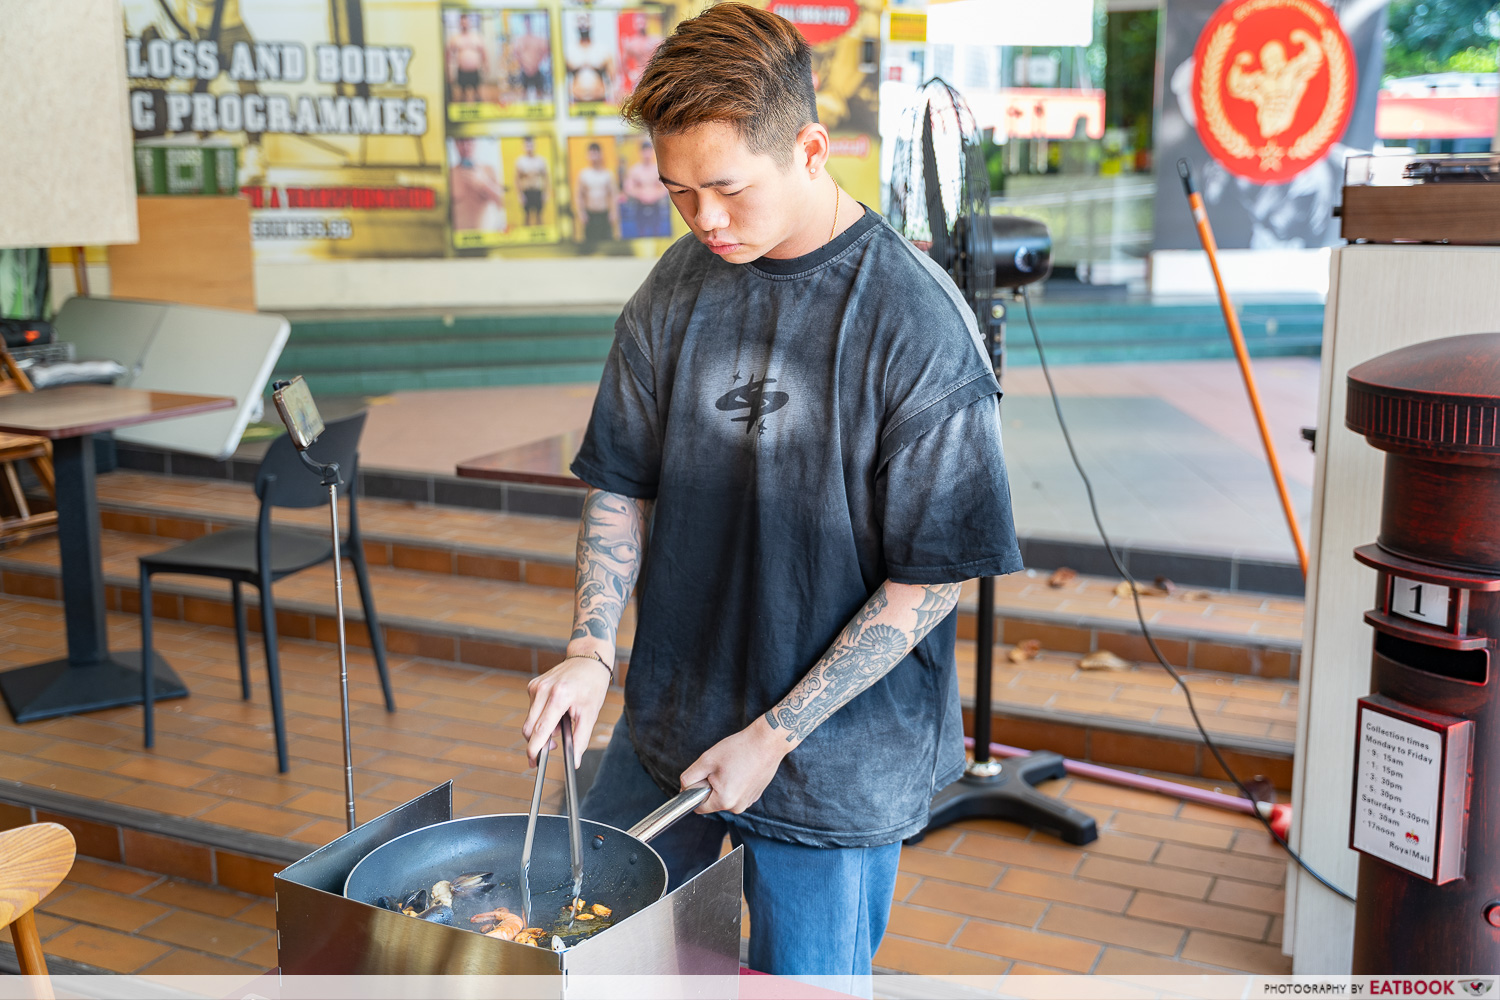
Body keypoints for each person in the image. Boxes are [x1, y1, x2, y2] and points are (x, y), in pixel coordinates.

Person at [522, 2, 1023, 982]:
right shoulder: (675, 289)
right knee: (610, 961)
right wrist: (589, 648)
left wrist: (774, 735)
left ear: (808, 147)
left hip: (835, 758)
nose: (704, 218)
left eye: (726, 188)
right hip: (670, 717)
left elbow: (929, 584)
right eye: (677, 193)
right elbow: (621, 486)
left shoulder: (915, 324)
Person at [449, 137, 506, 233]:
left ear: (476, 142)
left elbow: (505, 203)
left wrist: (484, 184)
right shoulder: (449, 174)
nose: (465, 147)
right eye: (461, 142)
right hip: (459, 242)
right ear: (455, 144)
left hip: (487, 240)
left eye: (469, 141)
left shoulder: (489, 170)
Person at [621, 140, 670, 237]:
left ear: (652, 152)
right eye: (644, 151)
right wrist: (641, 195)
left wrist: (654, 196)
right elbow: (628, 188)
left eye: (649, 151)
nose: (647, 154)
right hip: (640, 205)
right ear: (640, 152)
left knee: (657, 232)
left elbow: (665, 188)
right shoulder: (635, 170)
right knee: (641, 232)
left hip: (656, 205)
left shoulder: (658, 170)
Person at [573, 142, 619, 243]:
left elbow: (613, 195)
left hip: (604, 215)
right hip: (590, 216)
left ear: (600, 154)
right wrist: (581, 213)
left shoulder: (607, 174)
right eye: (591, 153)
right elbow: (578, 196)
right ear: (587, 155)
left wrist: (613, 212)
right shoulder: (583, 174)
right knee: (590, 245)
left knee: (607, 244)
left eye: (595, 153)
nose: (593, 156)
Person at [566, 13, 614, 105]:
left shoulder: (603, 50)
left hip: (600, 102)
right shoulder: (569, 51)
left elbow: (612, 79)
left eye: (586, 20)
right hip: (577, 103)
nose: (583, 24)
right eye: (580, 20)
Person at [447, 13, 487, 105]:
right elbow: (448, 54)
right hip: (462, 71)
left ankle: (480, 114)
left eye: (466, 22)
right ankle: (462, 118)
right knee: (462, 95)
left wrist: (485, 66)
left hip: (474, 70)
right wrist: (449, 69)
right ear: (459, 24)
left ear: (469, 23)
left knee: (477, 94)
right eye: (462, 23)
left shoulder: (476, 37)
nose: (464, 25)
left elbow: (483, 53)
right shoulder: (455, 38)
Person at [511, 13, 551, 102]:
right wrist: (524, 66)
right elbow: (516, 55)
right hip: (524, 71)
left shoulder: (539, 39)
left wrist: (536, 64)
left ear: (532, 22)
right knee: (523, 95)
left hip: (537, 70)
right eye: (526, 21)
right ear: (523, 23)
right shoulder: (519, 40)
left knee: (540, 94)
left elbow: (546, 52)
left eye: (529, 21)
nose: (527, 24)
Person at [514, 137, 550, 227]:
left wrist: (546, 193)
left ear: (534, 145)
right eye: (527, 145)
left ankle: (542, 240)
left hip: (537, 191)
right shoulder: (520, 161)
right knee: (526, 217)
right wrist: (520, 194)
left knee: (539, 217)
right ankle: (525, 240)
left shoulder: (540, 161)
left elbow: (546, 178)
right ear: (523, 146)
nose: (529, 148)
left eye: (531, 145)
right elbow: (517, 179)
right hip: (526, 192)